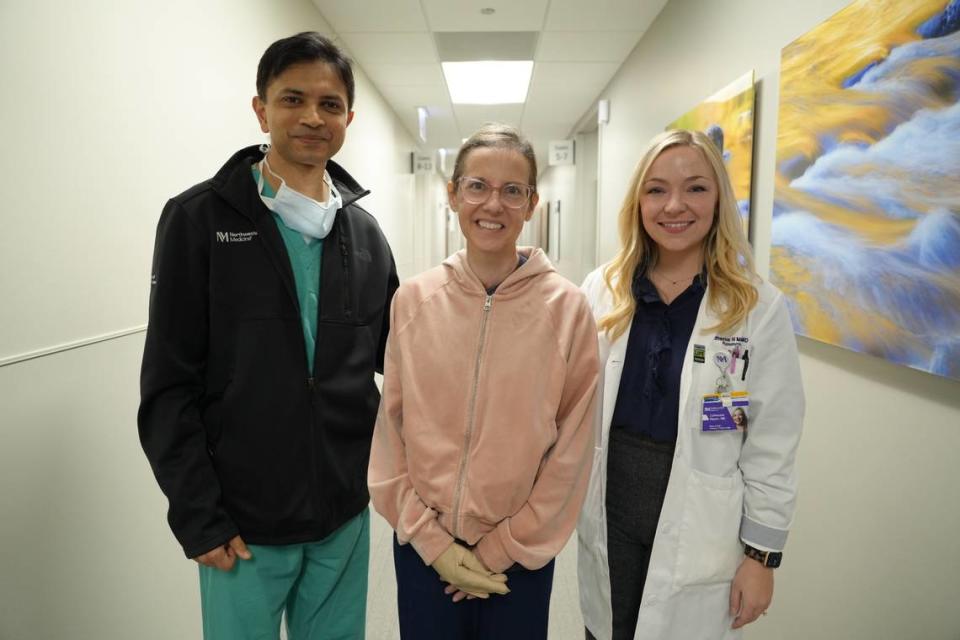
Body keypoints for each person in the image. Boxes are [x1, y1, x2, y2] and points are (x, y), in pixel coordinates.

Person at [138, 32, 398, 640]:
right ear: (261, 109)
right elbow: (168, 385)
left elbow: (401, 361)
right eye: (292, 99)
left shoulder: (363, 234)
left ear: (348, 119)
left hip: (341, 515)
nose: (312, 117)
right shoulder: (199, 219)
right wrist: (198, 515)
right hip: (241, 524)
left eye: (330, 105)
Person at [368, 123, 600, 640]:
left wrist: (500, 549)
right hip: (424, 549)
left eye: (512, 191)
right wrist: (434, 545)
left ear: (532, 203)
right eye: (477, 186)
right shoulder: (413, 301)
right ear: (453, 195)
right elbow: (391, 436)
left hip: (520, 556)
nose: (493, 204)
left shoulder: (567, 311)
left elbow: (573, 451)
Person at [577, 129, 804, 639]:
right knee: (606, 630)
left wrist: (761, 556)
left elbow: (774, 440)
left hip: (702, 517)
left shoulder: (755, 308)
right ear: (638, 200)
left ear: (719, 198)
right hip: (611, 501)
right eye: (656, 189)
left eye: (696, 188)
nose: (674, 205)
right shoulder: (603, 289)